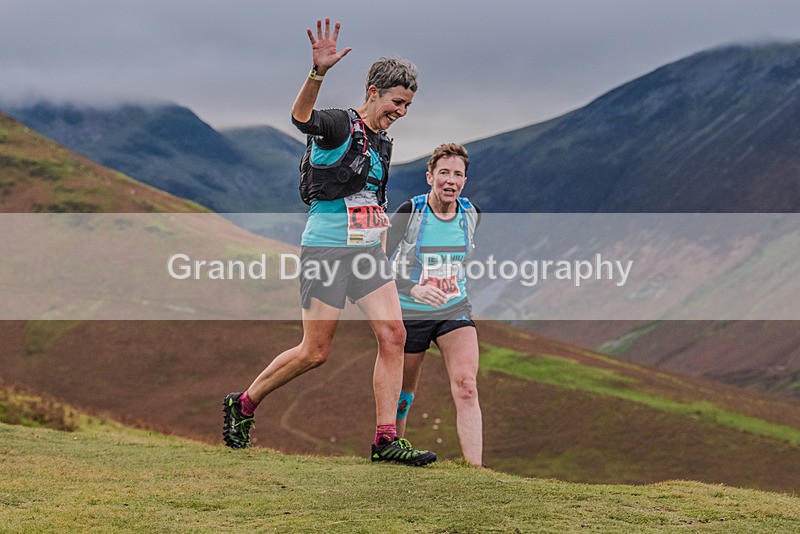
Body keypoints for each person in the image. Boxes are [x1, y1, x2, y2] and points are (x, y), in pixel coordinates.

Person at [223, 18, 436, 466]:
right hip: (325, 250)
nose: (402, 110)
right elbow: (301, 117)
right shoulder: (340, 124)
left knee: (393, 334)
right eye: (398, 101)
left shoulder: (381, 142)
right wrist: (318, 72)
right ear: (374, 91)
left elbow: (369, 201)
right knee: (315, 352)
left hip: (366, 253)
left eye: (408, 105)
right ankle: (244, 403)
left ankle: (385, 439)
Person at [386, 143, 483, 466]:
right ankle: (393, 450)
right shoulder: (410, 213)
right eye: (444, 173)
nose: (450, 180)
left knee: (467, 386)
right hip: (409, 312)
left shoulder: (471, 215)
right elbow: (374, 263)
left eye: (458, 174)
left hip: (454, 310)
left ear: (464, 181)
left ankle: (476, 469)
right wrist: (413, 289)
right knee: (402, 393)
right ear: (430, 177)